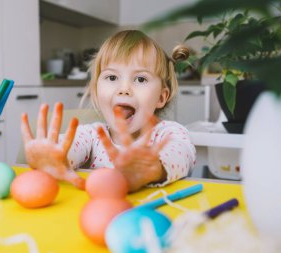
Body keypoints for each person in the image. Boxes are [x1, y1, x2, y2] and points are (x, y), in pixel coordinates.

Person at [21, 30, 196, 192]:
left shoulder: (169, 134)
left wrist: (152, 168)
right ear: (96, 91)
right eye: (112, 77)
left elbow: (181, 154)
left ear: (161, 97)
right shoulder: (92, 135)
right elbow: (68, 149)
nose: (124, 89)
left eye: (141, 79)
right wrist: (53, 156)